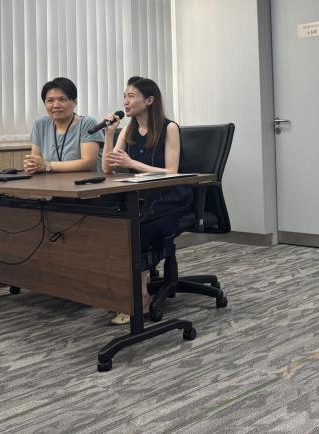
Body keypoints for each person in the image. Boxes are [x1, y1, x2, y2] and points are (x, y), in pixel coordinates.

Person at [102, 76, 192, 324]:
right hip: (141, 195)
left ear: (149, 100)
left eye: (131, 96)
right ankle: (125, 288)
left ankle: (140, 294)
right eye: (124, 96)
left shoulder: (169, 128)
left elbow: (171, 172)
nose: (125, 101)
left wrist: (132, 163)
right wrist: (110, 135)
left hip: (171, 194)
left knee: (138, 227)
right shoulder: (128, 130)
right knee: (115, 223)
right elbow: (108, 169)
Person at [23, 77, 104, 175]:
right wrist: (32, 165)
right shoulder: (40, 124)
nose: (56, 105)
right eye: (50, 101)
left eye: (62, 100)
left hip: (85, 182)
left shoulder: (87, 123)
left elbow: (88, 163)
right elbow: (36, 162)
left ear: (75, 102)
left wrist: (47, 166)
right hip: (50, 182)